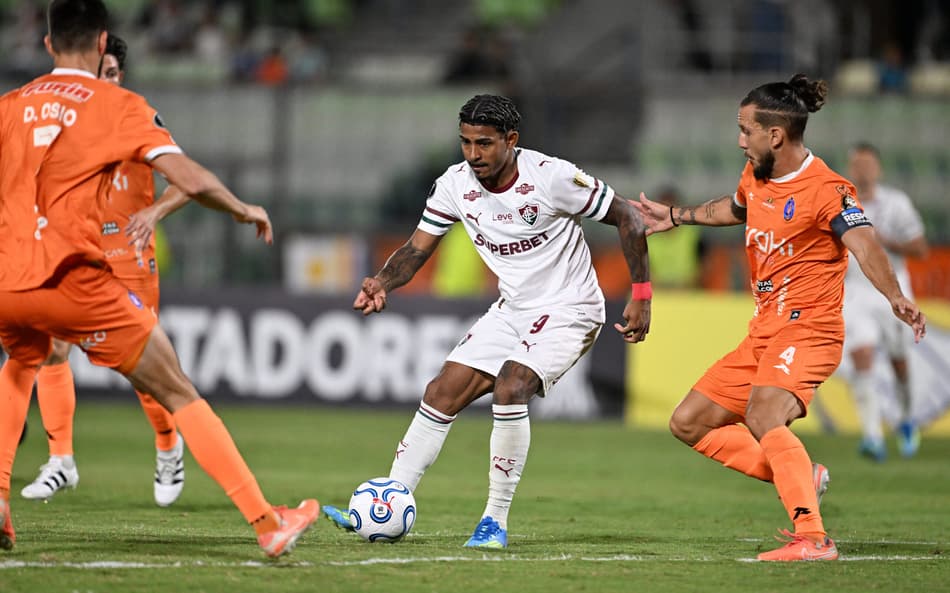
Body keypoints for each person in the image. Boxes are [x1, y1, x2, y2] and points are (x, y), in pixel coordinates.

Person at [0, 0, 319, 557]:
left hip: (6, 280)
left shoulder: (9, 105)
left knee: (22, 363)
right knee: (175, 388)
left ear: (47, 44)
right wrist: (242, 208)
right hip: (72, 279)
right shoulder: (116, 104)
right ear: (102, 43)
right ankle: (267, 522)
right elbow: (190, 179)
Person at [322, 94, 652, 548]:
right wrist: (382, 281)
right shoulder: (454, 184)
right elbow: (417, 248)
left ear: (511, 139)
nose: (473, 154)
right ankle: (387, 504)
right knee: (441, 392)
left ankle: (494, 521)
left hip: (570, 310)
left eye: (484, 143)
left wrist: (641, 295)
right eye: (466, 142)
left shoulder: (552, 177)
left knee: (511, 386)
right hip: (513, 309)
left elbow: (629, 217)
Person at [632, 74, 926, 562]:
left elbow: (866, 245)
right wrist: (677, 216)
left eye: (745, 130)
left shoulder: (829, 189)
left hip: (810, 330)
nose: (739, 140)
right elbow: (735, 209)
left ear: (775, 135)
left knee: (763, 414)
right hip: (764, 331)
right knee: (688, 422)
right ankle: (800, 475)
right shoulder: (756, 175)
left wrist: (896, 296)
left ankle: (814, 538)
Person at [19, 33, 192, 507]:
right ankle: (61, 459)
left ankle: (167, 445)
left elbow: (186, 180)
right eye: (100, 73)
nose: (106, 81)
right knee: (53, 349)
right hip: (76, 253)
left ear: (122, 76)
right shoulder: (62, 121)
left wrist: (153, 212)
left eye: (113, 73)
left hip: (130, 259)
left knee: (145, 372)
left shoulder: (136, 116)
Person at [843, 142, 929, 461]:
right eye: (857, 164)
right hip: (855, 291)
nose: (863, 170)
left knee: (899, 362)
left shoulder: (896, 203)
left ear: (878, 168)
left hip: (894, 290)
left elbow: (920, 249)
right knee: (861, 354)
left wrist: (883, 242)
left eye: (868, 164)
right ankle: (872, 436)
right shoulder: (841, 204)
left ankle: (906, 419)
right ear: (850, 169)